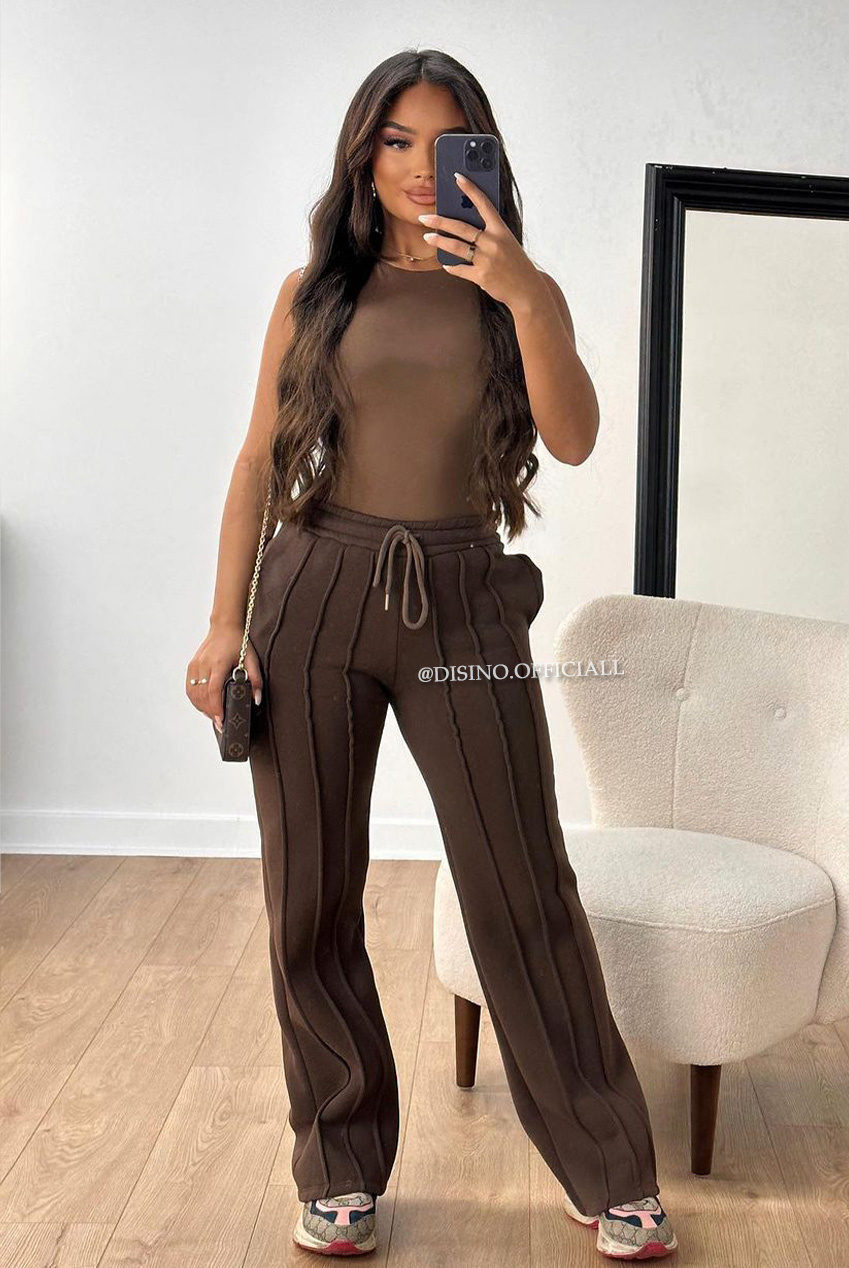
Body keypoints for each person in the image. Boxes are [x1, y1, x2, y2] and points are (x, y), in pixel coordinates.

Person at [186, 48, 678, 1262]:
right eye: (395, 141)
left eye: (441, 142)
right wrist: (223, 620)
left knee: (523, 882)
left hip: (463, 597)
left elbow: (574, 439)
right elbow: (256, 460)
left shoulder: (517, 293)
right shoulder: (314, 292)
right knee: (310, 895)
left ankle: (609, 1167)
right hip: (316, 590)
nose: (417, 167)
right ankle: (340, 1166)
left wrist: (526, 293)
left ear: (482, 157)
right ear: (364, 156)